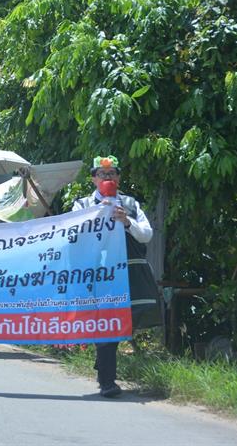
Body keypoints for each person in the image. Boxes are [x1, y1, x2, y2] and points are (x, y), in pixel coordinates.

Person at [73, 155, 162, 398]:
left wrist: (126, 221)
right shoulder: (82, 206)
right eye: (103, 174)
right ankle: (107, 381)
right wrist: (95, 217)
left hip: (128, 273)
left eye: (112, 173)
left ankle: (103, 363)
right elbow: (73, 237)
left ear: (119, 177)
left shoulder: (131, 204)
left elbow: (146, 235)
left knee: (127, 320)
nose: (108, 177)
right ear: (93, 179)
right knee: (107, 322)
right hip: (98, 275)